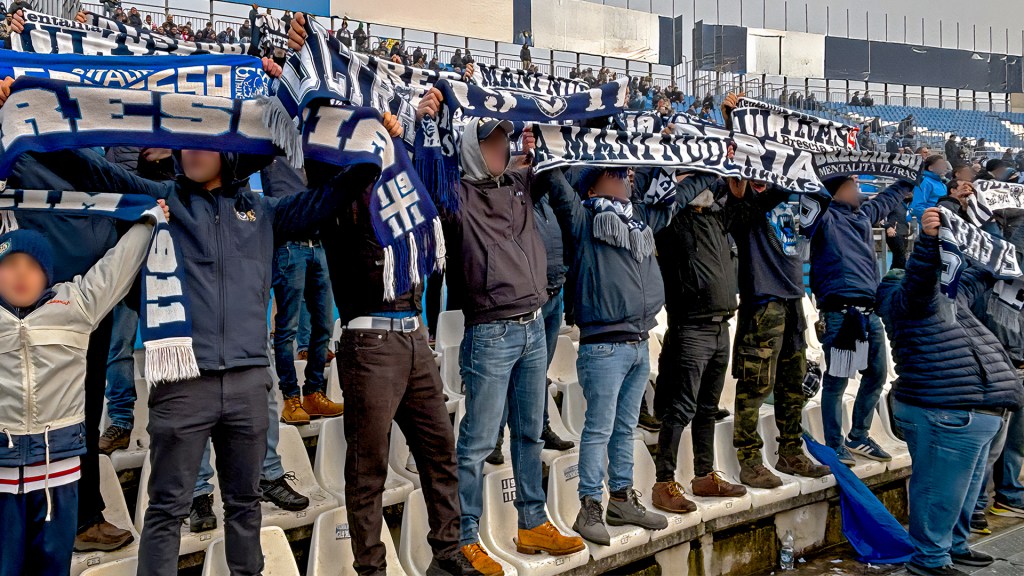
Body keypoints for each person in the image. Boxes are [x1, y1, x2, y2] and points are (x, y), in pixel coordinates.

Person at [1, 58, 382, 576]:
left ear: (231, 149)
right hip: (182, 386)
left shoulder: (266, 212)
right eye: (184, 141)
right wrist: (32, 114)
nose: (192, 150)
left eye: (204, 141)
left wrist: (373, 145)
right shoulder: (162, 201)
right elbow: (90, 171)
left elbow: (333, 194)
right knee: (166, 513)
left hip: (249, 384)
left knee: (245, 508)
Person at [415, 89, 586, 573]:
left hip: (533, 326)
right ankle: (465, 536)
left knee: (529, 433)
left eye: (502, 142)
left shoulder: (518, 185)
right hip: (490, 333)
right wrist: (424, 123)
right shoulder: (454, 197)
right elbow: (424, 176)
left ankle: (532, 522)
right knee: (477, 442)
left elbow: (558, 167)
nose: (499, 149)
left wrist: (550, 130)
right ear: (472, 149)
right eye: (489, 142)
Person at [545, 165, 718, 544]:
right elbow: (556, 181)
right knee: (599, 429)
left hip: (638, 344)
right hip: (603, 347)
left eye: (624, 174)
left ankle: (622, 500)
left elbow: (684, 193)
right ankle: (589, 506)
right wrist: (543, 144)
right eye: (612, 174)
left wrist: (717, 164)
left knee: (625, 429)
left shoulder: (639, 218)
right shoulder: (582, 219)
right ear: (591, 190)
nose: (623, 178)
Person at [0, 217, 157, 576]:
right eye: (10, 264)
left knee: (54, 567)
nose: (21, 274)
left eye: (32, 266)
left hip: (60, 475)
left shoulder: (76, 305)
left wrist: (148, 220)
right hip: (3, 473)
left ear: (47, 274)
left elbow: (117, 265)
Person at [877, 207, 1023, 576]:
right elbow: (920, 279)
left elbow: (985, 271)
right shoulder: (907, 301)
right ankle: (929, 560)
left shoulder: (952, 299)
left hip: (978, 411)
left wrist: (1009, 234)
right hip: (945, 411)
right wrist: (929, 243)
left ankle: (954, 545)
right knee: (939, 492)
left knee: (964, 491)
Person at [719, 93, 831, 488]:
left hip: (793, 299)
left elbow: (826, 182)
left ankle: (791, 451)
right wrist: (733, 119)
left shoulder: (800, 192)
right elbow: (736, 156)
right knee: (754, 385)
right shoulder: (747, 198)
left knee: (791, 383)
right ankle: (749, 459)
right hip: (762, 301)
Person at [650, 176, 765, 514]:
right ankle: (663, 482)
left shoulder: (716, 217)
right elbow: (668, 199)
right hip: (690, 328)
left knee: (708, 408)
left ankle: (704, 475)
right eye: (693, 174)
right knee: (680, 409)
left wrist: (740, 192)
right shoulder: (670, 220)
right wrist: (690, 178)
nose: (704, 182)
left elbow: (750, 210)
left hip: (720, 326)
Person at [803, 177, 911, 465]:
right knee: (837, 381)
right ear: (835, 192)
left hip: (868, 313)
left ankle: (858, 436)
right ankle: (833, 444)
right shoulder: (825, 217)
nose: (857, 190)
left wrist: (906, 182)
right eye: (850, 186)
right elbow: (811, 198)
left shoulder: (863, 215)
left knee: (876, 375)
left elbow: (886, 200)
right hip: (841, 315)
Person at [261, 157, 341, 425]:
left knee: (324, 326)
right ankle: (291, 398)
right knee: (287, 328)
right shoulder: (272, 151)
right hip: (288, 245)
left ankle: (314, 393)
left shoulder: (315, 150)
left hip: (319, 245)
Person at [909, 155, 950, 224]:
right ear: (931, 168)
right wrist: (935, 217)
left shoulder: (942, 184)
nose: (944, 168)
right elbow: (917, 207)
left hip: (941, 221)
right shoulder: (924, 182)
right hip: (928, 223)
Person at [883, 186, 913, 270]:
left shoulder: (911, 204)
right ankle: (898, 276)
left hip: (905, 233)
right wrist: (888, 227)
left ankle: (892, 276)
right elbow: (881, 217)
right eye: (906, 191)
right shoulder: (893, 202)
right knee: (900, 258)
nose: (909, 193)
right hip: (894, 233)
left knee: (898, 260)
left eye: (911, 191)